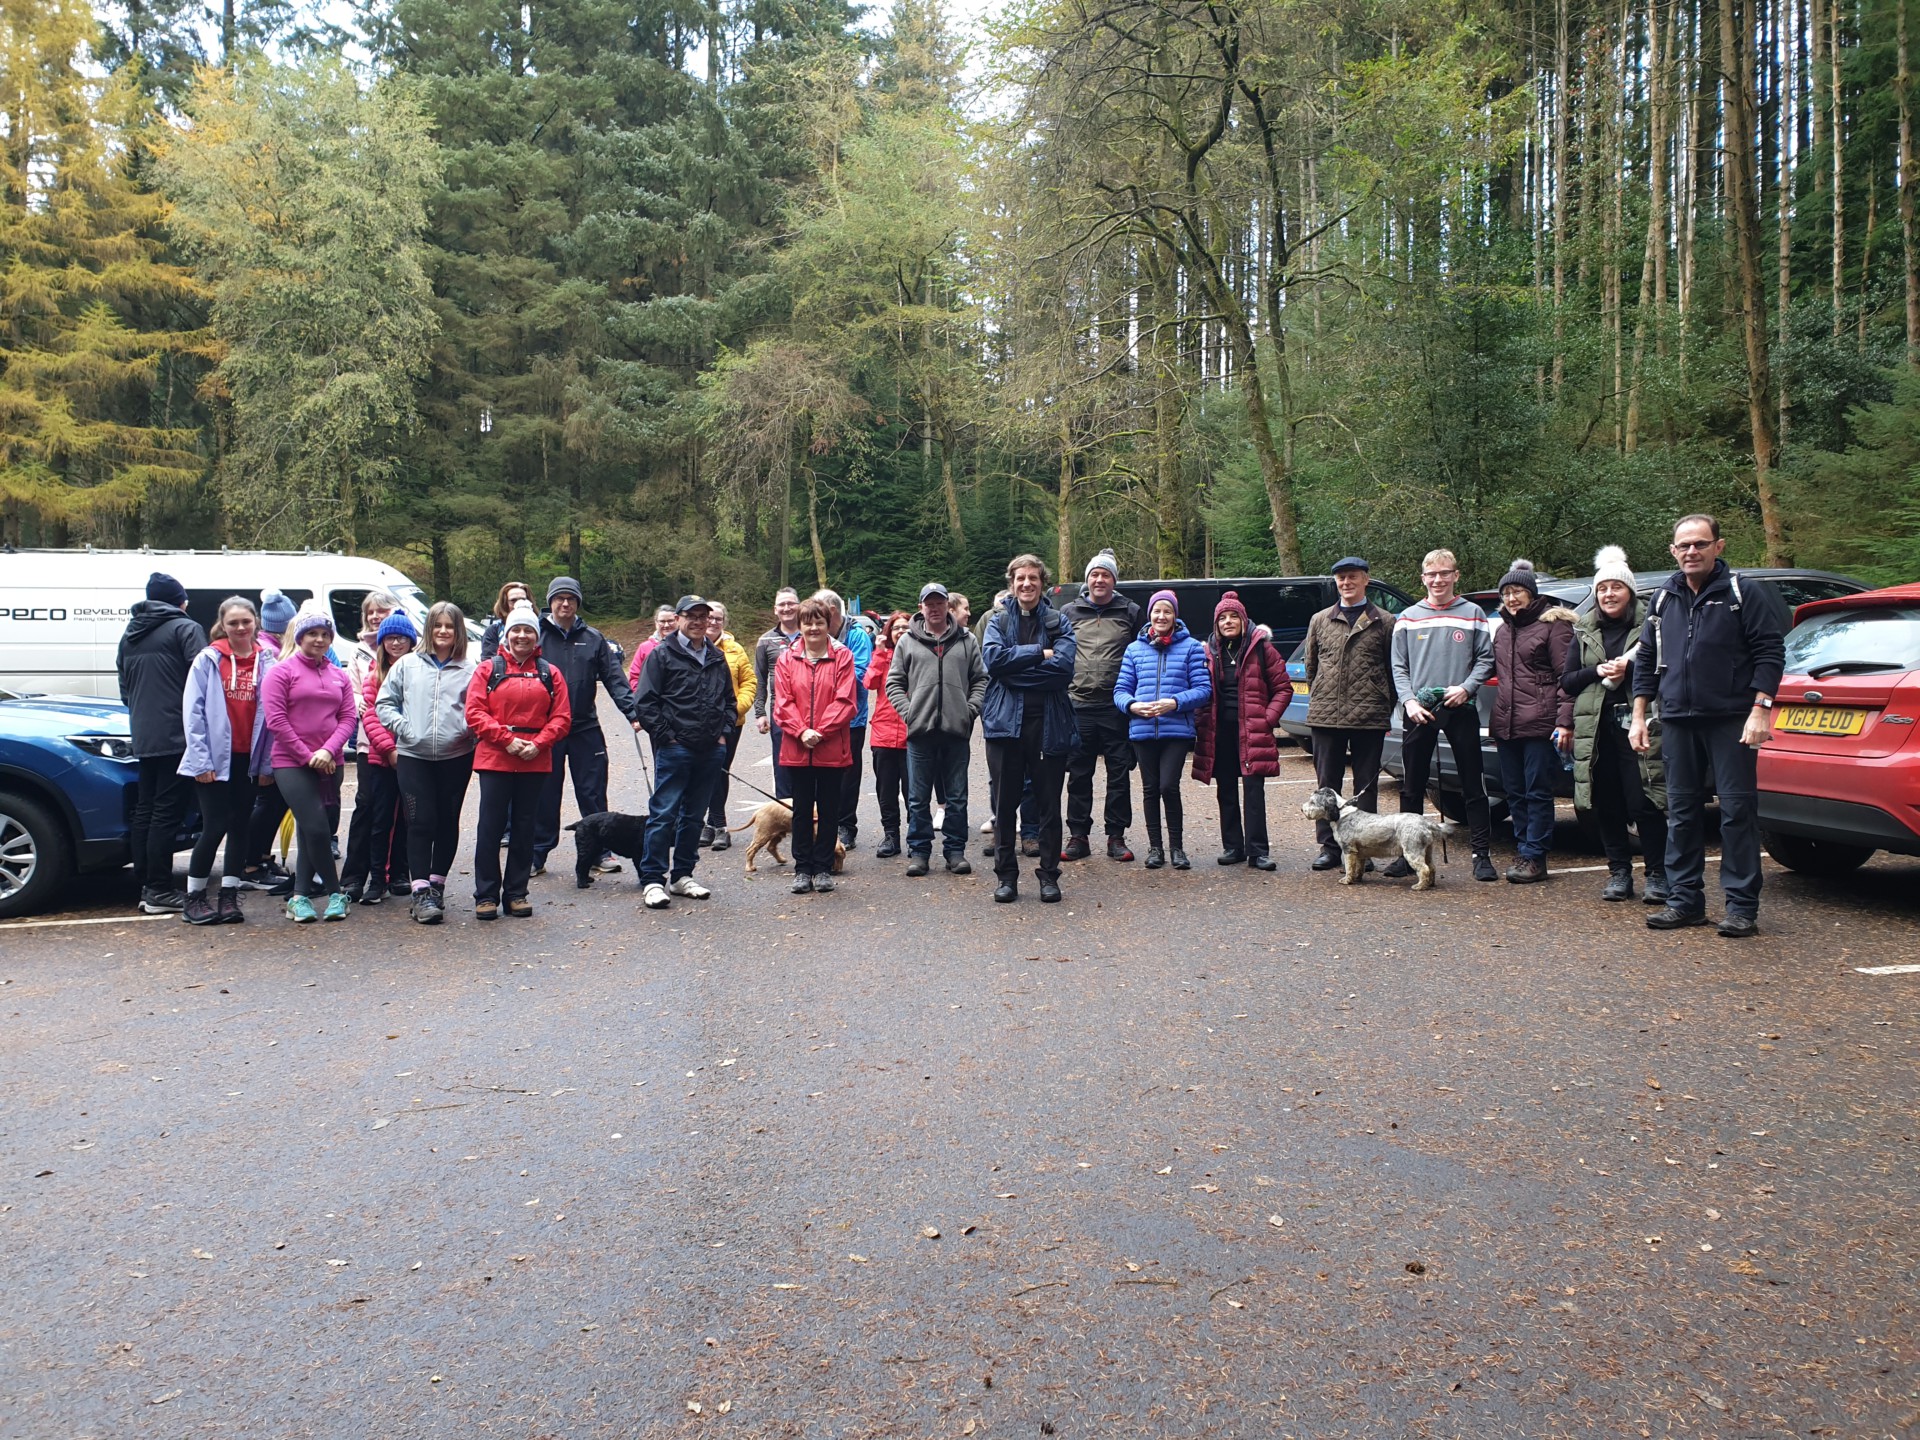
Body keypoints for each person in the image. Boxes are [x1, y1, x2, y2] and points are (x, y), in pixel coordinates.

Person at [1631, 514, 1786, 939]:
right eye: (1683, 545)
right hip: (1677, 719)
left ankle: (1741, 907)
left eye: (1700, 544)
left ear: (1718, 546)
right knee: (1681, 813)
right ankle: (1685, 902)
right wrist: (1639, 715)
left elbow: (1770, 652)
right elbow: (1646, 658)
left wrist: (1761, 709)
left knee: (1736, 812)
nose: (1691, 552)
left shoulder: (1741, 592)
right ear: (1673, 551)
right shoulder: (1664, 597)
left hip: (1732, 719)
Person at [1562, 546, 1668, 904]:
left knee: (1645, 801)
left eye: (1616, 587)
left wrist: (1630, 667)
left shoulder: (1651, 625)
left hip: (1640, 725)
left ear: (1630, 591)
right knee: (1606, 804)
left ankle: (1657, 875)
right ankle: (1619, 873)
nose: (1609, 594)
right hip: (1597, 729)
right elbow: (1568, 681)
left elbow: (1666, 668)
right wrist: (1597, 670)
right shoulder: (1584, 629)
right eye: (1603, 588)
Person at [1390, 548, 1498, 882]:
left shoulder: (1473, 613)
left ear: (1455, 575)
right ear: (1423, 578)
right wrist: (1409, 702)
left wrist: (1467, 687)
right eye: (1432, 574)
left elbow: (1485, 659)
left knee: (1473, 784)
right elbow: (1398, 666)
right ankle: (1408, 856)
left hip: (1460, 708)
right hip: (1419, 711)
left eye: (1444, 573)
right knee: (1411, 786)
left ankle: (1481, 855)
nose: (1438, 580)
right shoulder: (1407, 617)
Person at [982, 555, 1079, 902]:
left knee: (1049, 807)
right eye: (1020, 578)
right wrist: (1040, 652)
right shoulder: (997, 621)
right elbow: (994, 661)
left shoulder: (1058, 621)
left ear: (1042, 583)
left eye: (1033, 578)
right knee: (1004, 806)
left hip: (1049, 725)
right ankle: (1006, 877)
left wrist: (1015, 670)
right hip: (1004, 726)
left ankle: (1049, 876)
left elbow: (1063, 670)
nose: (1026, 584)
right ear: (1012, 583)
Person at [465, 601, 571, 920]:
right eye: (516, 630)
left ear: (537, 636)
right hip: (496, 757)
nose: (522, 635)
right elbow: (474, 712)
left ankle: (516, 892)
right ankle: (486, 894)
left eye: (528, 630)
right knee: (490, 827)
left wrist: (539, 743)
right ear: (506, 634)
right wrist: (506, 739)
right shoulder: (488, 669)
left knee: (525, 827)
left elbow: (562, 717)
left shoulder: (550, 673)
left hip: (534, 759)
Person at [531, 576, 642, 877]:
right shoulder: (536, 636)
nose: (565, 604)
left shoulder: (593, 638)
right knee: (545, 794)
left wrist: (633, 713)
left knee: (592, 792)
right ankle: (537, 853)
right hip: (547, 730)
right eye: (559, 598)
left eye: (571, 598)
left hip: (585, 727)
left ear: (578, 603)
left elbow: (615, 679)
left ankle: (600, 852)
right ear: (550, 601)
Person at [632, 595, 736, 909]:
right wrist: (668, 737)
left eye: (703, 617)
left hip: (710, 750)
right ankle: (652, 879)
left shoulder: (716, 656)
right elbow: (645, 702)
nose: (698, 622)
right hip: (675, 749)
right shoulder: (662, 654)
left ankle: (682, 875)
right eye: (691, 616)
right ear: (678, 619)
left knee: (693, 817)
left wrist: (723, 734)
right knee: (663, 815)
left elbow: (729, 701)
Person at [178, 597, 277, 924]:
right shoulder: (208, 659)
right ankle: (194, 898)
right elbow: (193, 713)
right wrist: (200, 760)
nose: (240, 627)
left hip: (249, 759)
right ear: (223, 625)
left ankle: (229, 896)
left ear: (255, 622)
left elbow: (273, 715)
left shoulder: (267, 660)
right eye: (233, 623)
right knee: (215, 825)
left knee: (240, 826)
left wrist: (266, 764)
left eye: (246, 621)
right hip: (214, 759)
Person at [378, 601, 477, 925]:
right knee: (420, 821)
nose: (443, 631)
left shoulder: (470, 669)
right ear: (428, 629)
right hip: (413, 756)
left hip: (456, 756)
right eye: (437, 625)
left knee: (447, 820)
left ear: (458, 630)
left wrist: (464, 731)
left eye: (449, 626)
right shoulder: (407, 665)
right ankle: (420, 892)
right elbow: (384, 703)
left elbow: (478, 710)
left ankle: (437, 886)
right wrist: (406, 729)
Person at [260, 604, 358, 922]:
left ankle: (299, 897)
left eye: (325, 634)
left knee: (311, 829)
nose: (319, 639)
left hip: (331, 762)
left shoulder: (338, 675)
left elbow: (347, 718)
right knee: (317, 828)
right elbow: (276, 721)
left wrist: (328, 751)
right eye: (312, 633)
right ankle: (335, 892)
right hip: (291, 762)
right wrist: (308, 756)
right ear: (299, 637)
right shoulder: (281, 672)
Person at [117, 572, 208, 914]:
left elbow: (125, 690)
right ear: (180, 601)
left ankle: (146, 883)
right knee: (168, 811)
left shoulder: (130, 634)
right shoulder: (186, 628)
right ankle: (158, 889)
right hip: (178, 733)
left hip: (144, 733)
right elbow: (203, 682)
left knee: (147, 808)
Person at [1302, 558, 1397, 871]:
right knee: (1326, 785)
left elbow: (1392, 668)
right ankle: (1330, 848)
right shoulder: (1319, 619)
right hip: (1326, 715)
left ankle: (1363, 850)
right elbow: (1311, 665)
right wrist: (1321, 693)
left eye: (1352, 577)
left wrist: (1383, 702)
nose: (1346, 583)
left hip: (1369, 715)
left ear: (1365, 580)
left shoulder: (1385, 621)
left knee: (1365, 787)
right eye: (1341, 578)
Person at [887, 583, 987, 878]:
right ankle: (919, 852)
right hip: (921, 733)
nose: (934, 608)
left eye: (939, 603)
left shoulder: (966, 640)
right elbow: (894, 683)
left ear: (947, 606)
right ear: (921, 607)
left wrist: (969, 710)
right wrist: (910, 714)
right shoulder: (908, 641)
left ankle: (955, 851)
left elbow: (981, 679)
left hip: (956, 731)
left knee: (957, 797)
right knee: (918, 798)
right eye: (928, 603)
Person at [1487, 561, 1576, 883]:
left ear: (1532, 594)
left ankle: (1535, 855)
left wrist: (1565, 722)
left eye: (1518, 592)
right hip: (1507, 724)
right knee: (1515, 792)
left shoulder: (1554, 626)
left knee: (1537, 791)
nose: (1512, 598)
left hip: (1541, 723)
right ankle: (1524, 849)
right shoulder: (1502, 630)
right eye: (1507, 593)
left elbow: (1567, 678)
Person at [1114, 590, 1211, 870]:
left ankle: (1177, 848)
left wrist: (1175, 702)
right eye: (1157, 611)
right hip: (1143, 730)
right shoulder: (1134, 649)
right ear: (1150, 615)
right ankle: (1155, 848)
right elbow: (1120, 690)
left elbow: (1204, 690)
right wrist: (1132, 706)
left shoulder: (1191, 647)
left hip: (1176, 730)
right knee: (1150, 789)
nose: (1161, 616)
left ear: (1175, 615)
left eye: (1167, 611)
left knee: (1168, 786)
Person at [1192, 590, 1287, 870]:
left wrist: (1268, 719)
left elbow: (1283, 688)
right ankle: (1233, 846)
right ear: (1216, 624)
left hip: (1252, 730)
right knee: (1226, 789)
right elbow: (1199, 689)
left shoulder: (1262, 648)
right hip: (1219, 731)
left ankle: (1258, 851)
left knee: (1254, 790)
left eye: (1234, 616)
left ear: (1244, 620)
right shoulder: (1209, 651)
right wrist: (1200, 721)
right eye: (1223, 618)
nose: (1228, 622)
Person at [772, 598, 860, 894]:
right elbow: (782, 702)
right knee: (801, 811)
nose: (813, 628)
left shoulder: (842, 656)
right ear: (800, 625)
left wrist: (820, 731)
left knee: (829, 809)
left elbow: (846, 700)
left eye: (819, 622)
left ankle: (823, 867)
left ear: (827, 624)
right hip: (797, 748)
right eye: (807, 622)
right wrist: (801, 731)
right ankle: (802, 868)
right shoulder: (787, 659)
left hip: (831, 746)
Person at [1061, 550, 1141, 863]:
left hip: (1115, 706)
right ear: (1087, 579)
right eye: (1094, 574)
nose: (1099, 579)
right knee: (1079, 774)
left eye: (1105, 575)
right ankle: (1078, 836)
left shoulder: (1129, 611)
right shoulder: (1069, 611)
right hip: (1078, 704)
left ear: (1113, 581)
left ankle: (1116, 836)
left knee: (1118, 773)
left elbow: (1140, 653)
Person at [353, 610, 419, 905]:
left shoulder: (419, 671)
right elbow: (372, 716)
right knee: (381, 820)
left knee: (409, 818)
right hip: (383, 759)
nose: (396, 643)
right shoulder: (374, 676)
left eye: (402, 637)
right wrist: (390, 751)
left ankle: (402, 873)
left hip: (414, 756)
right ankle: (377, 878)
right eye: (390, 638)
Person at [341, 590, 402, 902]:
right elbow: (352, 690)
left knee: (402, 809)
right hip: (371, 742)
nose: (376, 616)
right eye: (371, 612)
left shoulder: (406, 645)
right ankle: (355, 874)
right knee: (367, 806)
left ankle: (398, 872)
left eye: (382, 610)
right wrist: (361, 703)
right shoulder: (359, 652)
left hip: (405, 744)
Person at [812, 590, 873, 850]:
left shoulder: (857, 636)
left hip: (851, 719)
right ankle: (822, 823)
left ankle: (846, 825)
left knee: (848, 774)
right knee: (819, 773)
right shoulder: (816, 636)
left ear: (832, 611)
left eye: (819, 611)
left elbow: (859, 674)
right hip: (818, 718)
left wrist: (824, 677)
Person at [700, 601, 756, 850]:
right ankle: (708, 824)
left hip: (730, 722)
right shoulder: (690, 647)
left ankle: (716, 825)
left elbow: (749, 682)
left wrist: (735, 710)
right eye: (709, 617)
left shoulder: (735, 649)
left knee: (720, 770)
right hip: (698, 723)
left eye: (718, 619)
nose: (713, 622)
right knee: (704, 771)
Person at [864, 610, 912, 857]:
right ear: (889, 632)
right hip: (883, 733)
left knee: (913, 791)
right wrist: (880, 653)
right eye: (896, 627)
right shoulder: (883, 655)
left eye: (905, 627)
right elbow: (869, 683)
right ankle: (891, 835)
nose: (901, 631)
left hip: (913, 732)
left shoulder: (917, 654)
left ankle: (915, 836)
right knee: (886, 790)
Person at [752, 588, 802, 801]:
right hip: (779, 712)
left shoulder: (811, 634)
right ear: (775, 609)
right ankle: (785, 811)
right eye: (782, 604)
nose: (787, 608)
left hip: (809, 711)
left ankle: (812, 812)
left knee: (810, 765)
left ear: (799, 606)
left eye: (791, 603)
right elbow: (759, 679)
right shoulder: (765, 640)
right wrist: (760, 713)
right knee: (782, 765)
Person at [625, 605, 681, 688]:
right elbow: (634, 677)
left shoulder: (686, 645)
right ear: (656, 623)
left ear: (677, 620)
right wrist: (642, 693)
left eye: (670, 621)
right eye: (662, 621)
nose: (666, 625)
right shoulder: (645, 648)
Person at [479, 581, 533, 663]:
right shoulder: (494, 630)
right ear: (505, 604)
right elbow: (488, 663)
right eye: (513, 600)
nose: (519, 604)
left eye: (523, 600)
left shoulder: (539, 628)